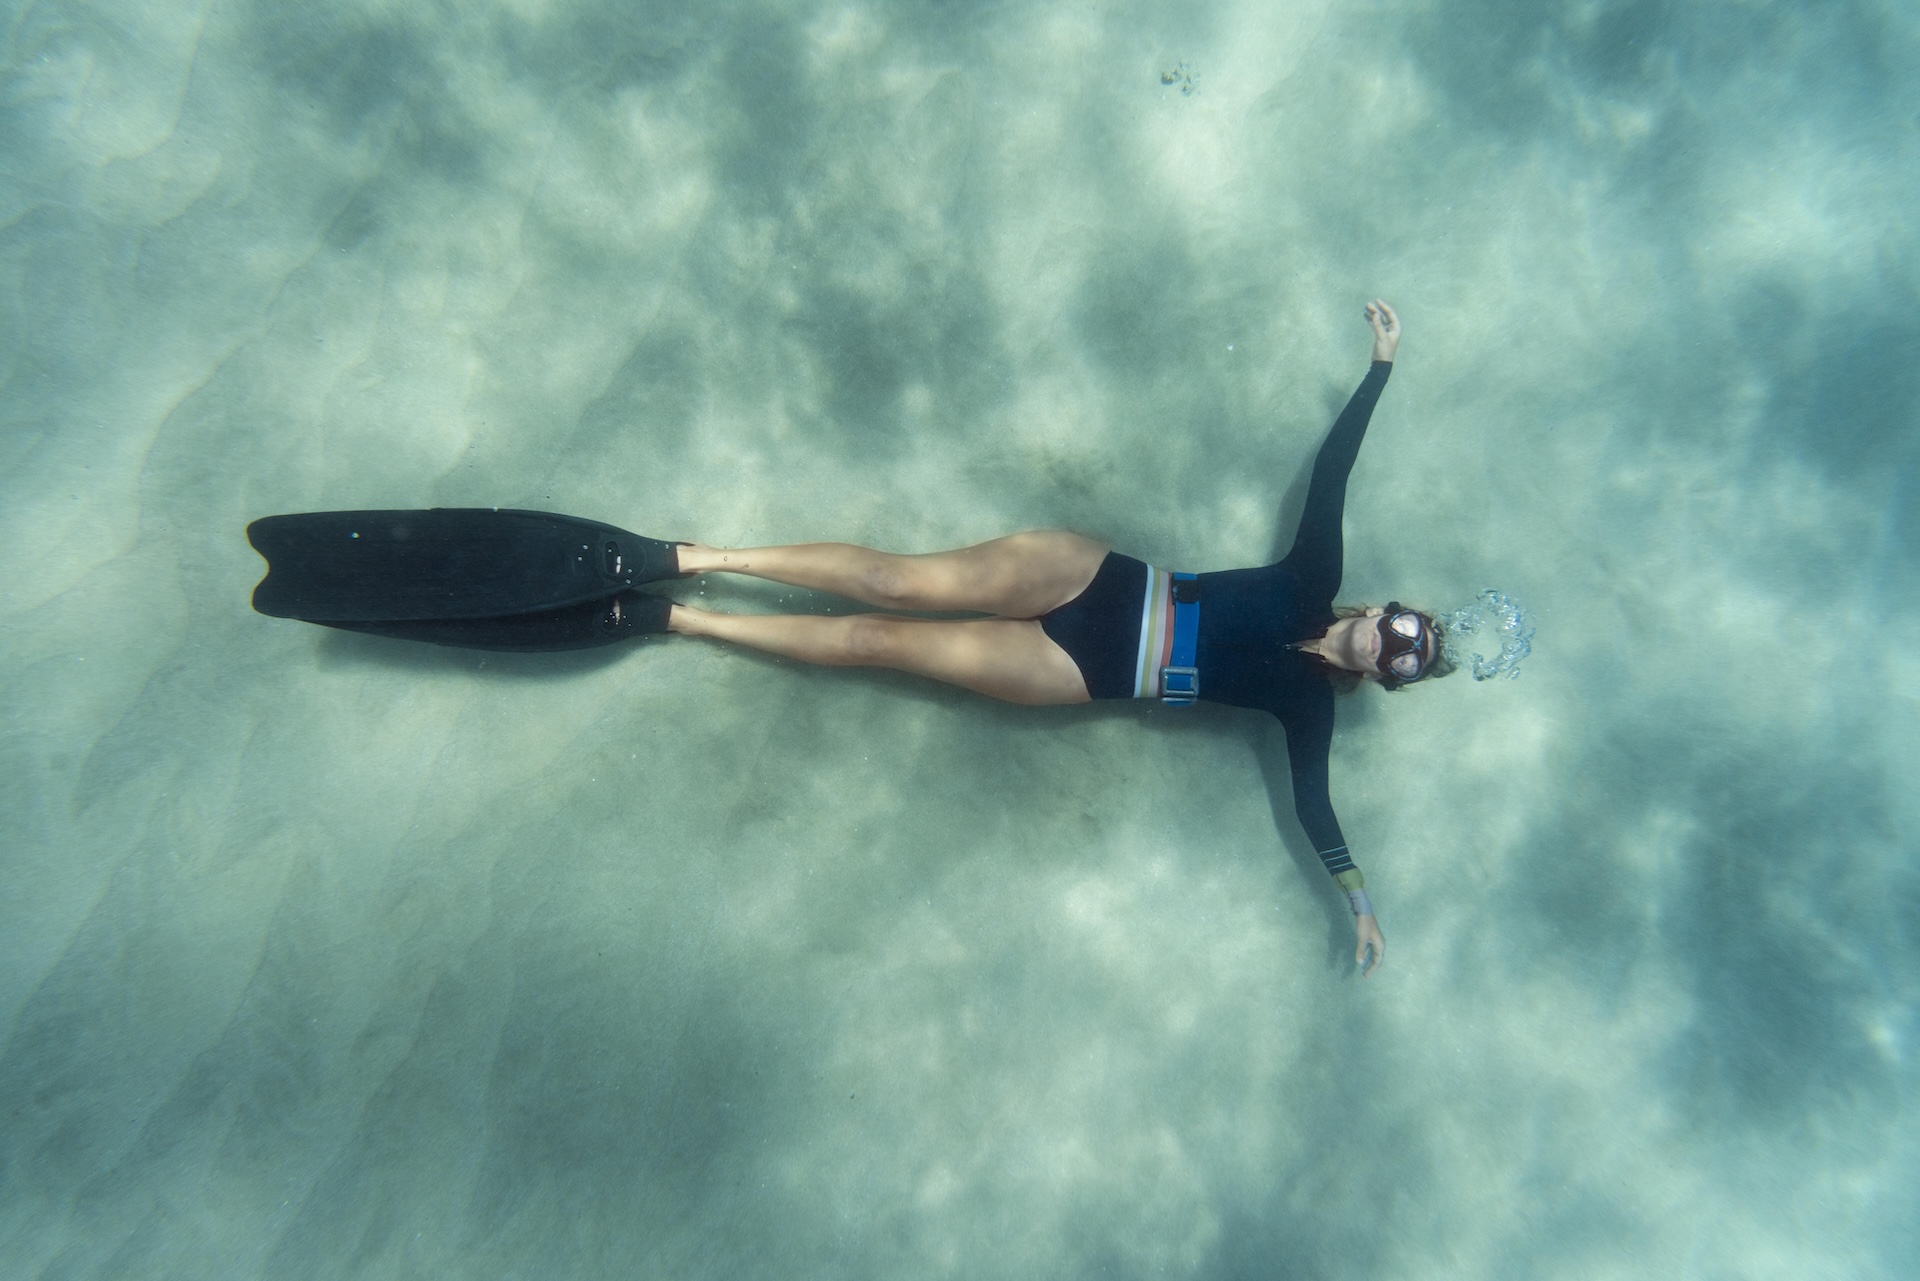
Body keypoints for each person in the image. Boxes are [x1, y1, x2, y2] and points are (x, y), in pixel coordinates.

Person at [663, 301, 1447, 976]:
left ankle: (695, 621)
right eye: (1404, 630)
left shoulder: (1310, 711)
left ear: (1387, 680)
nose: (1393, 648)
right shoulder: (1315, 573)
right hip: (1091, 577)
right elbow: (1334, 475)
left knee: (877, 639)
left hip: (1082, 670)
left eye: (1405, 664)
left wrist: (1361, 905)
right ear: (1382, 609)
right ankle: (706, 556)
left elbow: (1316, 808)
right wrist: (1380, 367)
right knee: (893, 585)